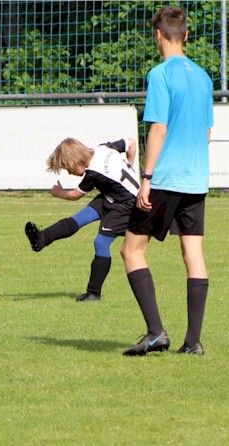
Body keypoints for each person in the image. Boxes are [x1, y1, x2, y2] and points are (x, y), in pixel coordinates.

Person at [120, 5, 214, 356]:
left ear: (157, 35)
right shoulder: (204, 77)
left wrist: (146, 178)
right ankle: (194, 342)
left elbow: (158, 129)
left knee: (131, 249)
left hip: (166, 178)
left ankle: (156, 332)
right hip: (196, 179)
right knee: (193, 252)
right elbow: (205, 132)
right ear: (186, 35)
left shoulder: (160, 75)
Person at [25, 137, 139, 302]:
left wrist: (57, 192)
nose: (69, 172)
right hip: (113, 195)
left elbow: (74, 195)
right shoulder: (103, 148)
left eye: (68, 168)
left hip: (126, 206)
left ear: (74, 161)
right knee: (79, 219)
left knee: (101, 243)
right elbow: (131, 142)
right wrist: (130, 165)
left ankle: (94, 293)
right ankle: (41, 239)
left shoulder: (93, 173)